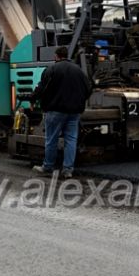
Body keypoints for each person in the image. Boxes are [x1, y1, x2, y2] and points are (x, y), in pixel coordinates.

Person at [31, 46, 92, 178]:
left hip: (55, 111)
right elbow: (88, 89)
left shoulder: (51, 69)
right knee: (71, 140)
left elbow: (41, 88)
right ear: (66, 55)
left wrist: (32, 99)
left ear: (56, 56)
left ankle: (48, 167)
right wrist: (79, 101)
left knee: (51, 139)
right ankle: (68, 170)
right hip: (74, 112)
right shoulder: (79, 71)